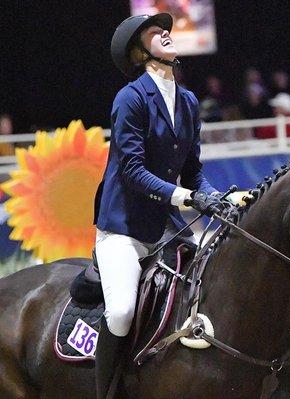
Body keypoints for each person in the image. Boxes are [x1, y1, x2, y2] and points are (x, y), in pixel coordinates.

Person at [93, 13, 223, 398]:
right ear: (139, 53)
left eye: (166, 28)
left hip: (169, 229)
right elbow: (132, 171)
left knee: (213, 286)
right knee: (120, 313)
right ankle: (107, 391)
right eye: (155, 31)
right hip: (124, 229)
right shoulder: (130, 99)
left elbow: (193, 173)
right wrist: (186, 198)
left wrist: (215, 197)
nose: (166, 32)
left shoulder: (188, 102)